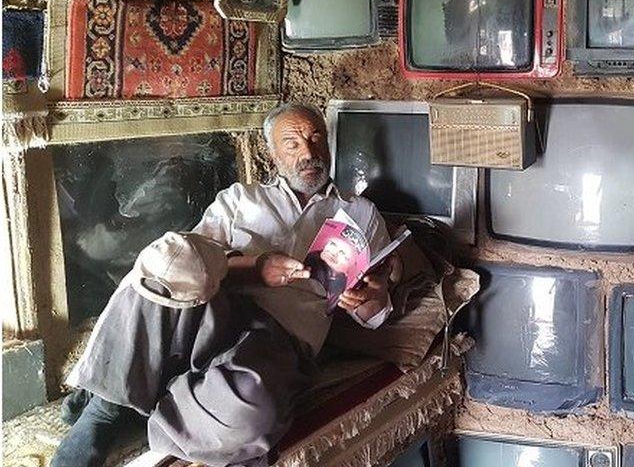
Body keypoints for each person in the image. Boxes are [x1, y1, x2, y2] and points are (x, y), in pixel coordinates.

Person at [52, 102, 400, 467]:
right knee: (169, 258)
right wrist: (254, 268)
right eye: (293, 144)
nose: (308, 153)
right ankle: (104, 413)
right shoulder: (239, 199)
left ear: (328, 143)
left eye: (315, 139)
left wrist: (370, 298)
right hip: (215, 309)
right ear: (273, 153)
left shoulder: (361, 213)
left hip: (280, 341)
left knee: (254, 410)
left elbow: (374, 311)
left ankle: (150, 412)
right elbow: (187, 263)